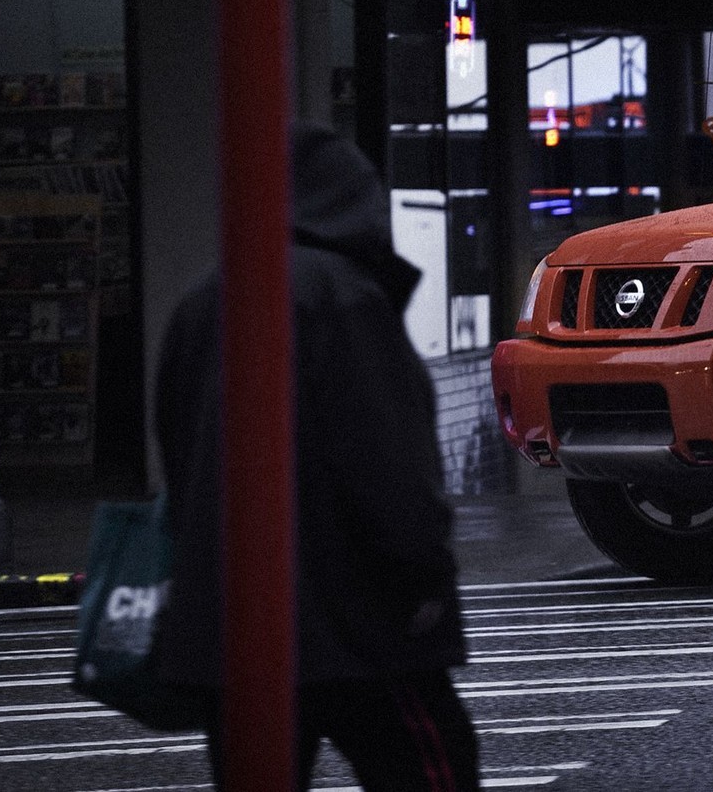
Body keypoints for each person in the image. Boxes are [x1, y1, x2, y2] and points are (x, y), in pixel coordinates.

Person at [154, 125, 480, 790]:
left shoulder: (202, 300)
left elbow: (177, 451)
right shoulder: (341, 296)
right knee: (431, 765)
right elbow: (387, 463)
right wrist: (421, 571)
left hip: (237, 622)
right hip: (353, 613)